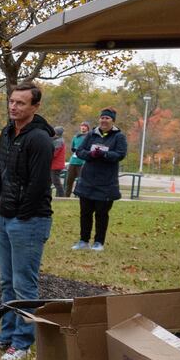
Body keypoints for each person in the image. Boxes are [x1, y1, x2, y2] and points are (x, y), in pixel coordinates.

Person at [0, 84, 56, 360]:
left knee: (24, 285)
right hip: (4, 216)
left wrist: (21, 214)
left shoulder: (40, 139)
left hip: (29, 221)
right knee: (7, 281)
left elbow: (38, 183)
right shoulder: (7, 133)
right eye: (12, 101)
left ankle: (22, 342)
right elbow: (3, 174)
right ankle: (6, 336)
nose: (14, 107)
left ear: (35, 107)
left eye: (21, 103)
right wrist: (2, 209)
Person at [72, 108, 128, 252]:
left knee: (101, 214)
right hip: (87, 180)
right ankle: (83, 240)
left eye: (107, 118)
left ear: (112, 121)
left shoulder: (118, 137)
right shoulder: (91, 134)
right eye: (102, 117)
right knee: (85, 212)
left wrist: (104, 154)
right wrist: (91, 154)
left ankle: (98, 242)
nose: (104, 120)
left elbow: (120, 154)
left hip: (106, 183)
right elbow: (79, 151)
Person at [65, 121, 90, 197]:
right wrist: (74, 149)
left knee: (81, 181)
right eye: (82, 126)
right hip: (73, 161)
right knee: (69, 180)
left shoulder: (89, 137)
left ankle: (79, 196)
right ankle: (66, 196)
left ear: (87, 128)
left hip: (82, 161)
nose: (83, 127)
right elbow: (72, 147)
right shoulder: (76, 136)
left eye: (85, 126)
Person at [49, 125, 67, 198]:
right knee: (49, 181)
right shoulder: (56, 140)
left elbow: (54, 154)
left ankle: (62, 197)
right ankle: (48, 195)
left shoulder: (59, 141)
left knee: (56, 182)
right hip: (54, 165)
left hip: (56, 165)